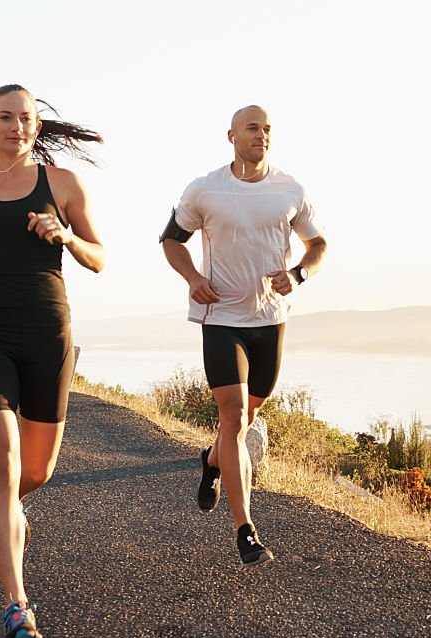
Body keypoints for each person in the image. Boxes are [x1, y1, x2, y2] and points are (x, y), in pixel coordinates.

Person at [0, 84, 104, 638]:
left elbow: (101, 256)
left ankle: (4, 513)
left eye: (25, 118)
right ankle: (17, 605)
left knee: (36, 471)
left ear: (36, 126)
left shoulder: (62, 185)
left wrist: (68, 236)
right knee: (1, 467)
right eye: (5, 117)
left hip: (47, 333)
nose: (16, 126)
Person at [161, 105, 327, 567]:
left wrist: (298, 274)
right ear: (231, 135)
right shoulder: (205, 189)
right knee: (232, 416)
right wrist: (193, 278)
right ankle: (245, 530)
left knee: (247, 417)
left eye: (268, 129)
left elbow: (318, 246)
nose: (262, 135)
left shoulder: (289, 189)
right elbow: (171, 240)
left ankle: (212, 461)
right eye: (253, 128)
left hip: (269, 319)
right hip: (221, 317)